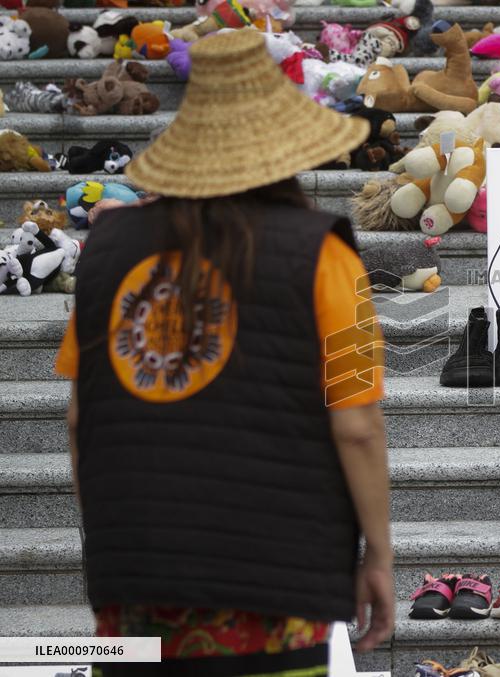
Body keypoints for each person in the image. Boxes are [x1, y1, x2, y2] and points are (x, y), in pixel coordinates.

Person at [54, 30, 393, 676]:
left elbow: (79, 420)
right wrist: (377, 554)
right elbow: (357, 425)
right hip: (275, 595)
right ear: (286, 150)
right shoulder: (326, 255)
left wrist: (121, 543)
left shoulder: (104, 251)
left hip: (134, 598)